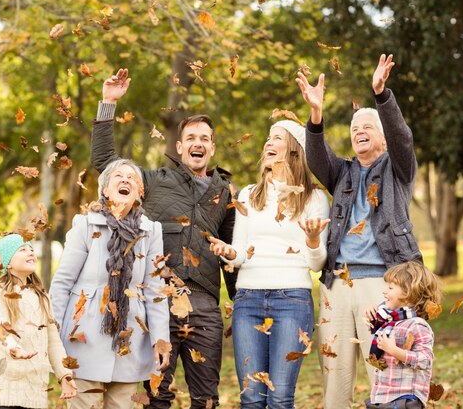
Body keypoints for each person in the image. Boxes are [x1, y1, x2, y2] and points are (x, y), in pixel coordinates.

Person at [91, 69, 236, 409]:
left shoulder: (226, 192)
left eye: (205, 138)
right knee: (157, 395)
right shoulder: (154, 181)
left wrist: (238, 301)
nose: (198, 143)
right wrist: (108, 103)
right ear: (180, 146)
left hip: (205, 306)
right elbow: (105, 164)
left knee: (206, 398)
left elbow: (231, 253)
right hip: (159, 302)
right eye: (192, 138)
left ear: (212, 147)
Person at [296, 54, 424, 409]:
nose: (359, 133)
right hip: (336, 284)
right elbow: (318, 158)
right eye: (354, 130)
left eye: (367, 127)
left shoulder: (399, 169)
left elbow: (403, 138)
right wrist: (316, 116)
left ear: (382, 135)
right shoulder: (344, 173)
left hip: (382, 285)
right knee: (334, 375)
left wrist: (381, 96)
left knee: (384, 376)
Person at [207, 120, 331, 408]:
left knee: (279, 397)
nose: (268, 142)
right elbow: (240, 254)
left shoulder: (313, 198)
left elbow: (317, 264)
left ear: (295, 150)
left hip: (292, 301)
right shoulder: (249, 195)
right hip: (248, 300)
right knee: (251, 397)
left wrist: (312, 240)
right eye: (267, 137)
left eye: (277, 137)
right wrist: (227, 251)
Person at [49, 159, 171, 409]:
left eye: (132, 178)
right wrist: (52, 336)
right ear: (105, 189)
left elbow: (155, 290)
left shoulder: (151, 231)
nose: (125, 180)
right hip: (82, 339)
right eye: (118, 176)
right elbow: (62, 283)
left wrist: (160, 339)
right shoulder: (85, 225)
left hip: (128, 340)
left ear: (140, 192)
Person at [0, 233, 77, 408]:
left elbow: (53, 342)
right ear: (8, 263)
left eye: (31, 249)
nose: (30, 252)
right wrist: (14, 348)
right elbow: (0, 329)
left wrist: (64, 375)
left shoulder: (42, 297)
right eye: (22, 250)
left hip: (37, 393)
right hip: (8, 390)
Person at [364, 261, 442, 409]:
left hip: (405, 397)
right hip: (383, 394)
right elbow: (379, 336)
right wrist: (372, 317)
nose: (384, 292)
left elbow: (425, 361)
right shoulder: (390, 321)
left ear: (407, 293)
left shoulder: (417, 325)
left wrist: (394, 351)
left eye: (391, 288)